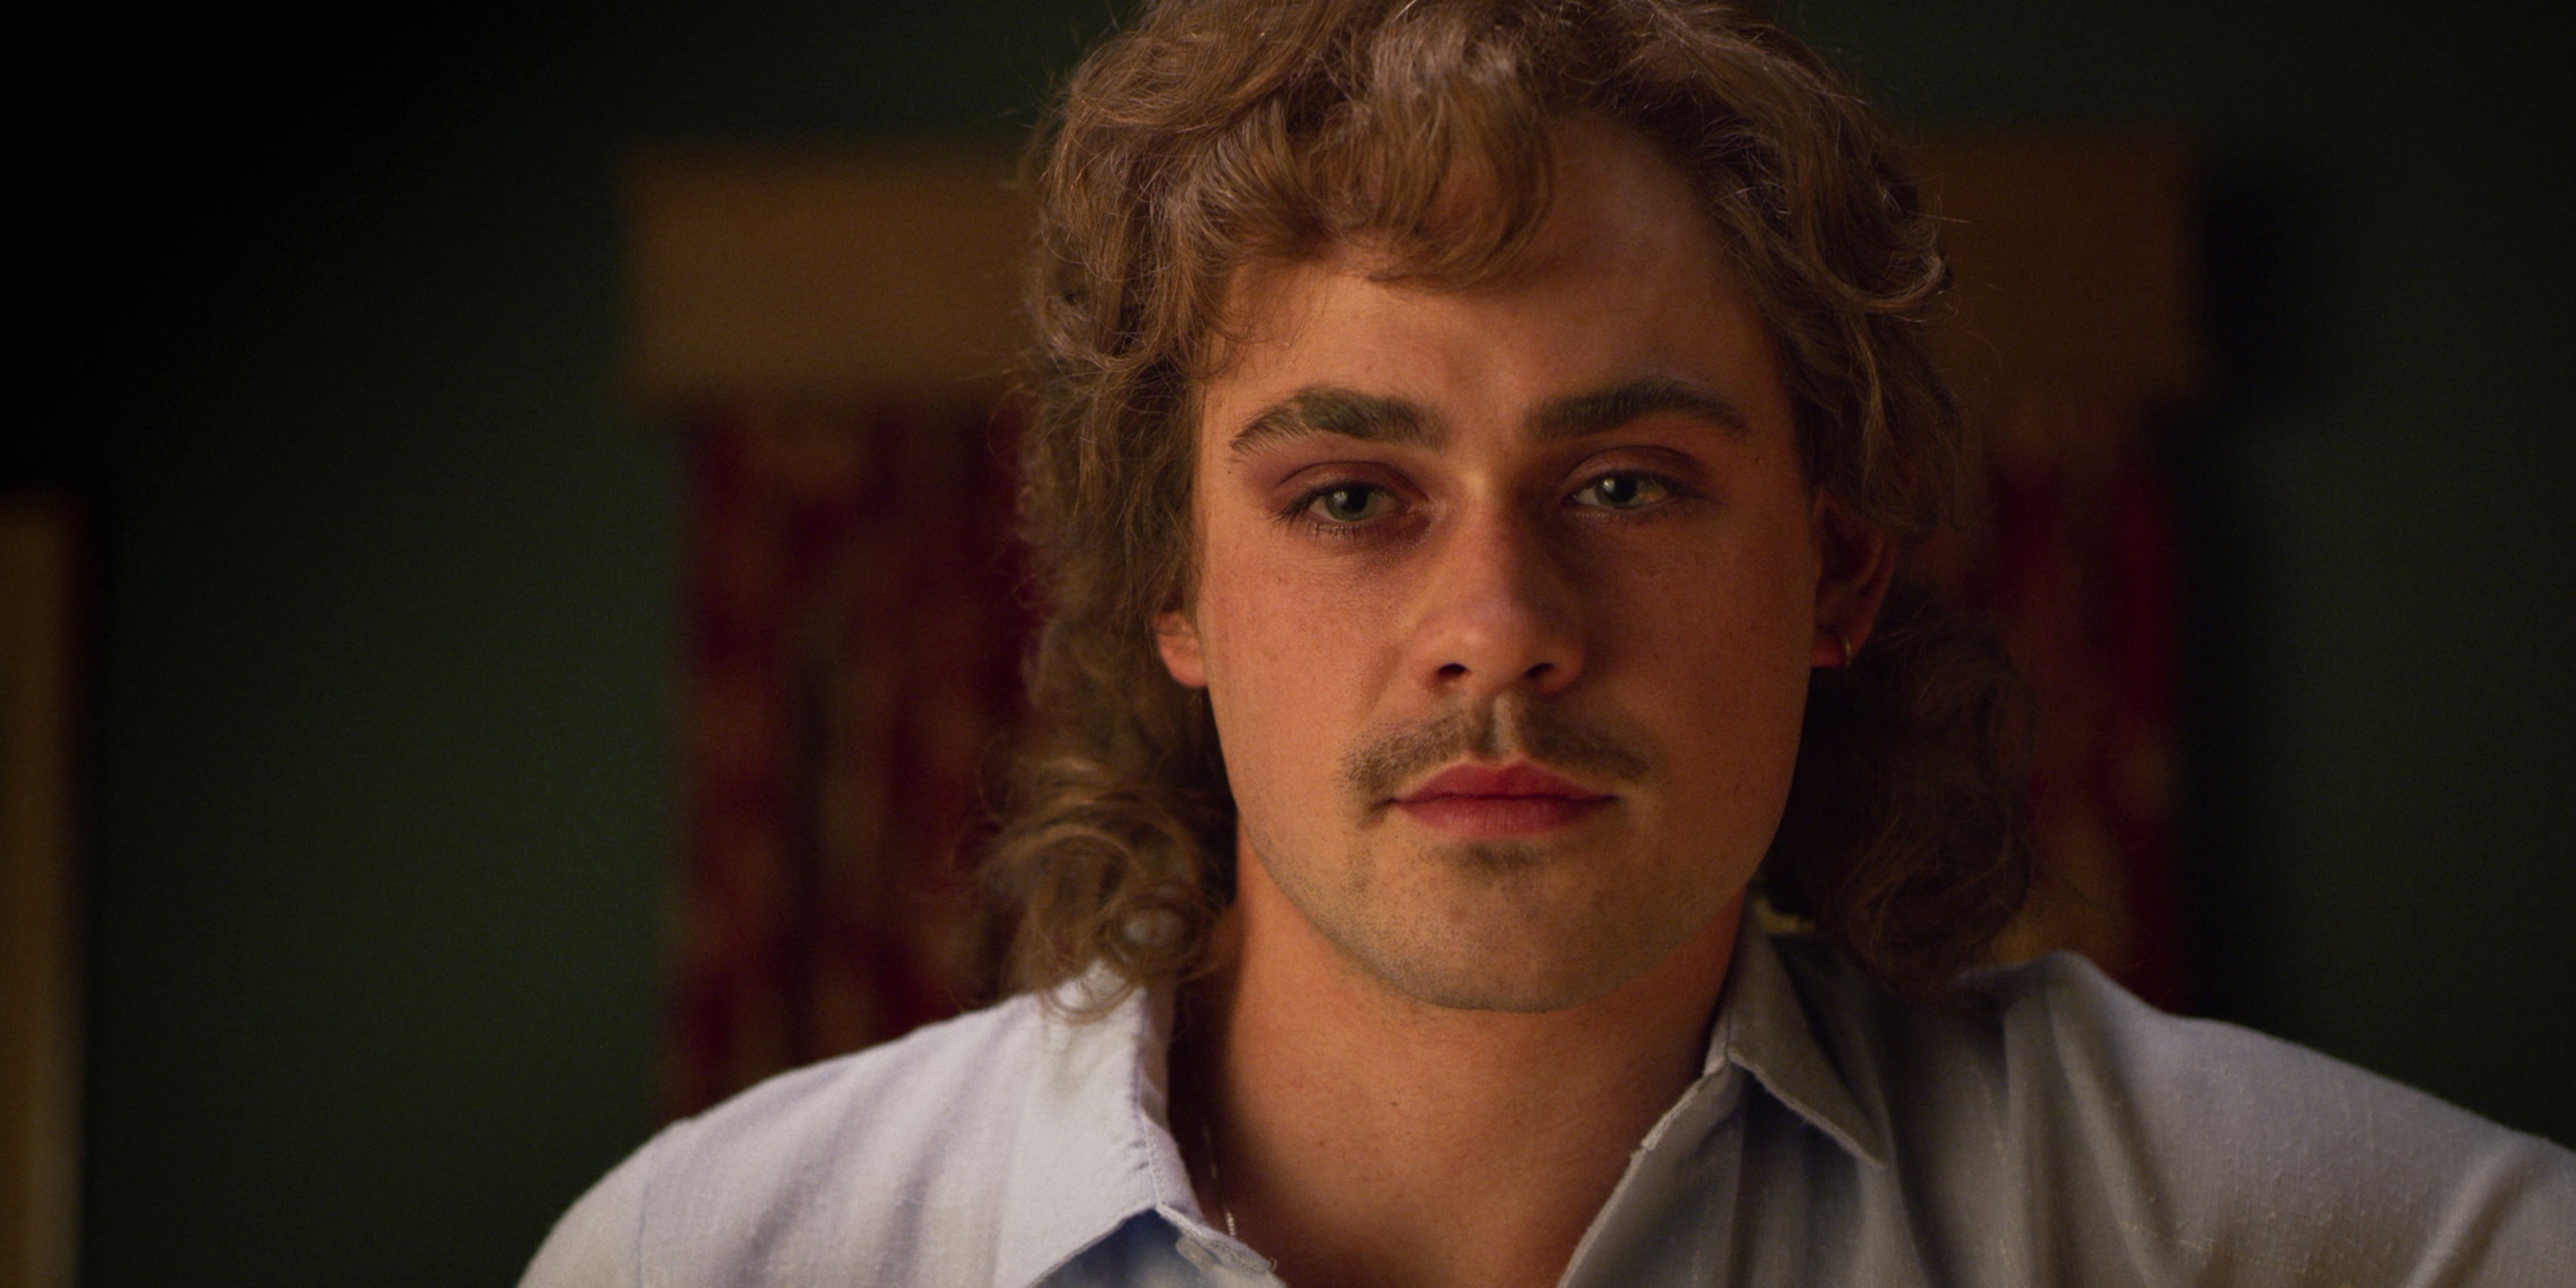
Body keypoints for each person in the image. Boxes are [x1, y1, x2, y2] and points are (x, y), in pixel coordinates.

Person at [524, 1, 2573, 1283]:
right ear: (1171, 589)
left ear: (1840, 572)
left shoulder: (2322, 1244)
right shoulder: (720, 1260)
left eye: (1628, 486)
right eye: (1350, 498)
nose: (1499, 630)